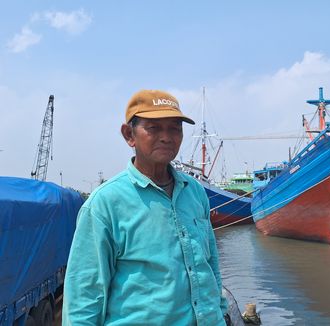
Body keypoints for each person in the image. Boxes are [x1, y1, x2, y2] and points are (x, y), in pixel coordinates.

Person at [62, 90, 229, 325]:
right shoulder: (105, 204)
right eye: (153, 128)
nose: (167, 137)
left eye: (174, 128)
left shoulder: (195, 192)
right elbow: (85, 298)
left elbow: (210, 264)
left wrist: (221, 313)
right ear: (129, 135)